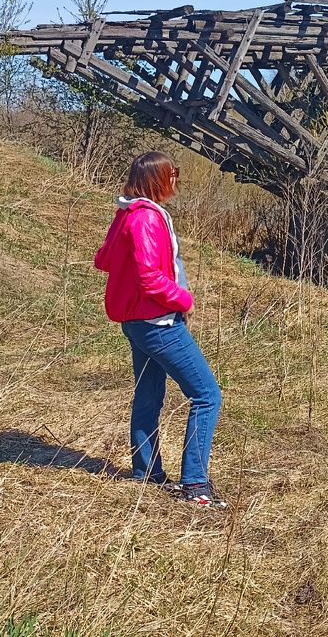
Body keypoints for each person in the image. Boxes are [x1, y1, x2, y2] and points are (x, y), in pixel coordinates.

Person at [94, 151, 225, 508]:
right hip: (158, 322)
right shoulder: (147, 219)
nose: (176, 181)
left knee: (149, 396)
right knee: (207, 395)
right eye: (172, 175)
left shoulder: (127, 213)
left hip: (136, 321)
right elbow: (150, 277)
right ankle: (195, 485)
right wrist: (182, 298)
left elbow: (103, 258)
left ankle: (147, 474)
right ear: (157, 179)